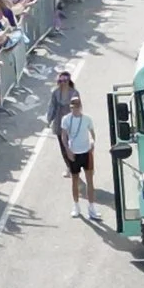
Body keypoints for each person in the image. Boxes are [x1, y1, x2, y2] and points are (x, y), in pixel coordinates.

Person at [56, 92, 98, 224]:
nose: (75, 108)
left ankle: (91, 207)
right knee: (75, 180)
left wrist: (92, 143)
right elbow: (64, 136)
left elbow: (92, 134)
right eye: (73, 106)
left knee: (90, 180)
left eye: (77, 106)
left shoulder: (87, 119)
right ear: (70, 107)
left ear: (81, 107)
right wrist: (67, 150)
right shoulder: (66, 119)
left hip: (86, 152)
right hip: (74, 153)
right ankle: (76, 205)